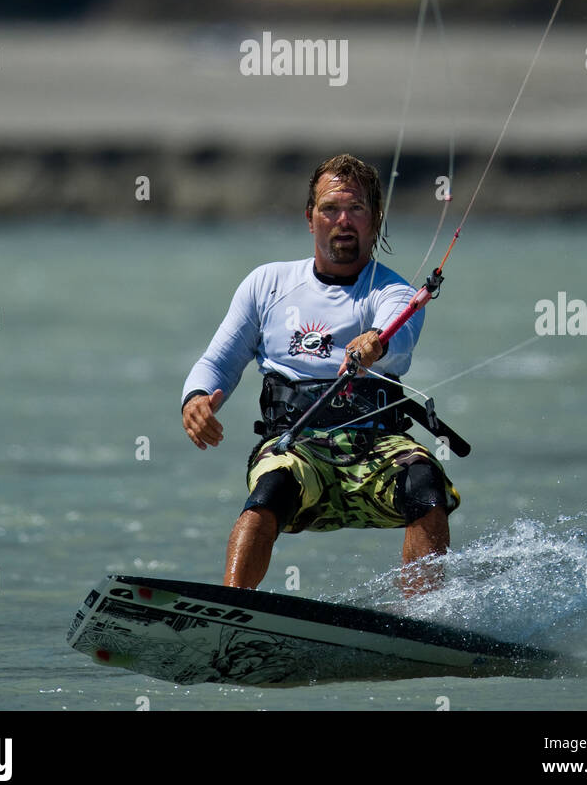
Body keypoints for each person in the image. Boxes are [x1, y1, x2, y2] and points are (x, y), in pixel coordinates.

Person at [181, 153, 460, 592]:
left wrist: (375, 341)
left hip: (376, 447)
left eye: (357, 209)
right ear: (310, 218)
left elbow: (396, 340)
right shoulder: (266, 285)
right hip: (297, 447)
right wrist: (196, 397)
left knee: (426, 484)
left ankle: (423, 620)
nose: (343, 220)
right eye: (330, 209)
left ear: (375, 219)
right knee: (269, 490)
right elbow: (217, 361)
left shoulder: (393, 291)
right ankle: (233, 608)